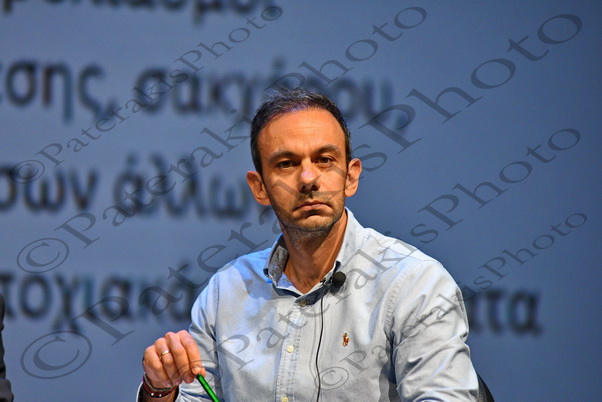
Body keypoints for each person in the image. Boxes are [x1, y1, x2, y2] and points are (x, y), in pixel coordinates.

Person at [139, 88, 479, 401]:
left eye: (324, 160)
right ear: (259, 187)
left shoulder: (414, 283)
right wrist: (159, 389)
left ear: (350, 176)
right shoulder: (225, 292)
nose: (308, 179)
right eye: (286, 164)